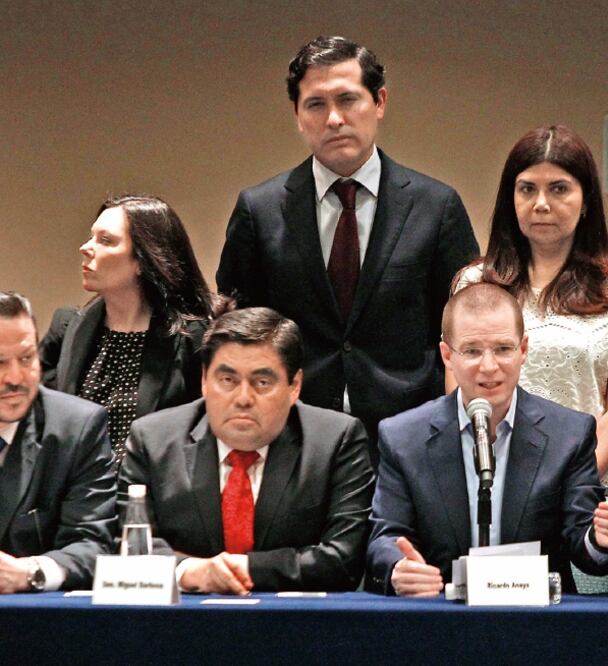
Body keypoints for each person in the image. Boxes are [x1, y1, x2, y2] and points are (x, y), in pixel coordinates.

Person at [216, 36, 479, 465]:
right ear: (297, 116)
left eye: (347, 99)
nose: (334, 118)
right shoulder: (259, 210)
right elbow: (238, 330)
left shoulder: (436, 206)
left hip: (413, 437)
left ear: (379, 102)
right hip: (293, 437)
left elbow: (464, 329)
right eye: (316, 104)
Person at [366, 283, 608, 597]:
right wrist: (400, 567)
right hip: (440, 614)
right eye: (472, 351)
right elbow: (385, 535)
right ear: (447, 355)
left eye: (503, 349)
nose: (489, 366)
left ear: (523, 350)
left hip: (536, 617)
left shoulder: (569, 435)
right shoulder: (403, 437)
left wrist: (602, 539)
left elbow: (584, 544)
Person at [453, 125, 608, 489]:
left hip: (591, 485)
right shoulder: (475, 283)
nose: (541, 203)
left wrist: (566, 483)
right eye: (527, 189)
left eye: (559, 188)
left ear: (586, 201)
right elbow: (461, 397)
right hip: (494, 482)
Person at [118, 307, 373, 593]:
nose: (243, 398)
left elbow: (343, 558)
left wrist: (243, 568)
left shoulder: (335, 441)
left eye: (262, 382)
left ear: (294, 386)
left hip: (294, 617)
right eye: (227, 380)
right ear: (204, 381)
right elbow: (128, 546)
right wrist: (189, 571)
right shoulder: (153, 440)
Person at [39, 194, 214, 463]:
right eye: (91, 236)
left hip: (152, 484)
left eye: (105, 240)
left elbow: (204, 436)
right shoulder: (67, 327)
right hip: (78, 485)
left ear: (142, 261)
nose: (85, 247)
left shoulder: (193, 337)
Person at [0, 292, 116, 592]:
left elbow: (92, 544)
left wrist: (31, 572)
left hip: (32, 614)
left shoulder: (77, 428)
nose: (15, 378)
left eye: (26, 358)